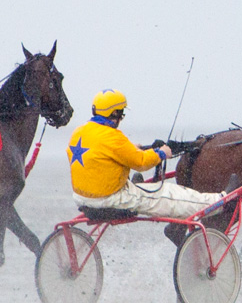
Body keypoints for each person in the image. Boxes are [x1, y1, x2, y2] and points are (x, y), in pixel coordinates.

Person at [67, 89, 224, 218]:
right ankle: (218, 202)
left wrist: (130, 148)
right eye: (121, 114)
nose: (121, 118)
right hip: (111, 200)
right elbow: (141, 163)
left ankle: (134, 186)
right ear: (114, 114)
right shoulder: (112, 137)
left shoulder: (80, 132)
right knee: (169, 194)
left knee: (148, 189)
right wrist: (161, 153)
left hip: (82, 199)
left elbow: (99, 153)